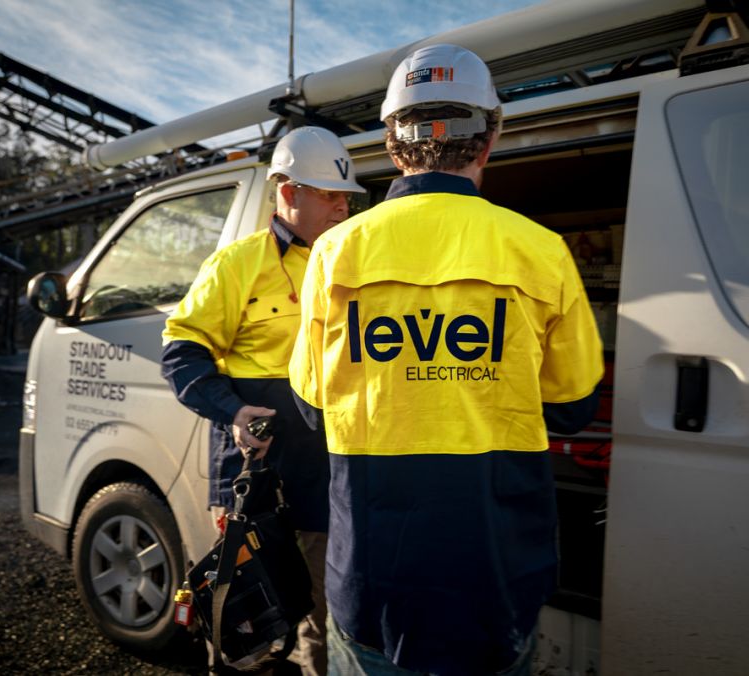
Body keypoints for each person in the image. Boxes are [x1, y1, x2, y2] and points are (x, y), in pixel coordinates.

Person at [288, 44, 604, 675]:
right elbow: (572, 407)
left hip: (374, 585)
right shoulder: (542, 252)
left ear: (392, 143)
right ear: (488, 140)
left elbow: (313, 402)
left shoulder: (333, 252)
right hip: (494, 582)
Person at [161, 125, 366, 676]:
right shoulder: (236, 265)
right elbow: (182, 355)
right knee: (248, 622)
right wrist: (231, 411)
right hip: (253, 479)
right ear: (286, 188)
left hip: (328, 477)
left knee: (324, 621)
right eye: (329, 193)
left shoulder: (355, 267)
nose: (343, 206)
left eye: (346, 196)